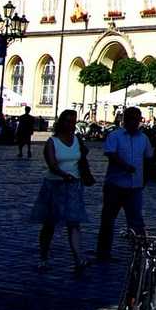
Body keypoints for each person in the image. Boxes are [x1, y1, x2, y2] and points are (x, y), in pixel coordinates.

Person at [30, 109, 91, 270]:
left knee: (74, 222)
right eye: (68, 121)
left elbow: (82, 156)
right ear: (61, 122)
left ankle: (78, 258)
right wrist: (63, 175)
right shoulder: (53, 141)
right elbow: (51, 164)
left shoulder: (77, 139)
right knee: (49, 223)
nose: (71, 124)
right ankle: (43, 256)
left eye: (73, 121)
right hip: (55, 185)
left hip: (74, 185)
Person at [96, 106, 150, 262]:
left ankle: (140, 251)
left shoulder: (143, 138)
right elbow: (110, 154)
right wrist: (125, 166)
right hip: (115, 183)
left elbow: (148, 158)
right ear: (125, 120)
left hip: (135, 185)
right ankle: (103, 252)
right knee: (108, 219)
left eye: (137, 119)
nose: (135, 122)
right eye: (132, 119)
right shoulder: (115, 136)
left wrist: (145, 178)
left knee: (136, 220)